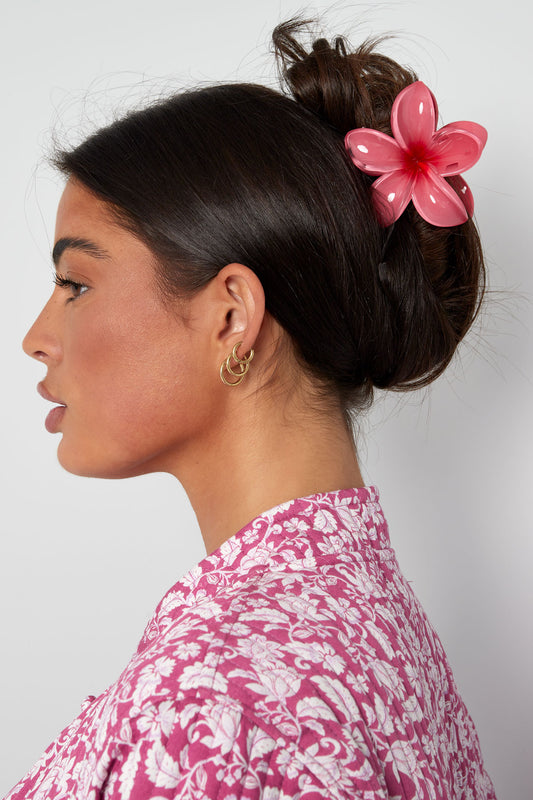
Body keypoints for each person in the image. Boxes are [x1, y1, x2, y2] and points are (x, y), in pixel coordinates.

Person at [5, 19, 496, 800]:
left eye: (76, 285)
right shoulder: (365, 615)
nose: (37, 338)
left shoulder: (215, 701)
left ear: (232, 316)